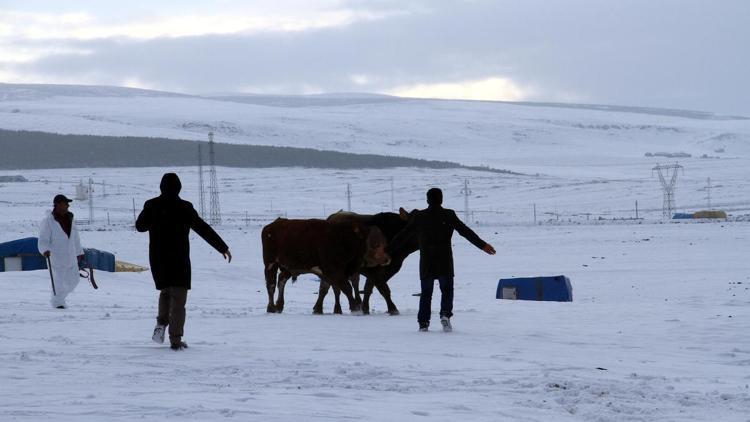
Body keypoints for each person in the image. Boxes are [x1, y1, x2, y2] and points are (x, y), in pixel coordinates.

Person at [136, 173, 232, 350]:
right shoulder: (184, 207)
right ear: (179, 188)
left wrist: (152, 215)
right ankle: (175, 339)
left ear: (161, 187)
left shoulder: (152, 205)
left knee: (165, 293)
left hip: (158, 259)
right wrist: (222, 247)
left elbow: (140, 227)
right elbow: (203, 228)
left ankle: (161, 324)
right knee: (178, 299)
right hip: (179, 259)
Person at [390, 187, 495, 332]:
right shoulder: (448, 215)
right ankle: (445, 315)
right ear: (441, 199)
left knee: (426, 293)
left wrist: (387, 251)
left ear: (427, 200)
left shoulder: (419, 217)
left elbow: (403, 235)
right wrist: (483, 245)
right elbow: (465, 232)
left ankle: (423, 323)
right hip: (444, 260)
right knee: (447, 290)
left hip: (427, 261)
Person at [38, 194, 84, 309]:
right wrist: (45, 250)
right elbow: (43, 240)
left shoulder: (70, 219)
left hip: (71, 257)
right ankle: (58, 303)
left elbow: (75, 238)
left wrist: (79, 252)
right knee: (58, 283)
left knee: (74, 280)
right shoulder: (48, 221)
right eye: (65, 203)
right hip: (56, 258)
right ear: (58, 205)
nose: (68, 205)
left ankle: (58, 299)